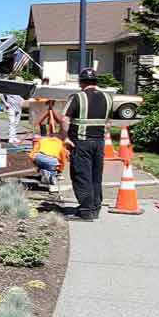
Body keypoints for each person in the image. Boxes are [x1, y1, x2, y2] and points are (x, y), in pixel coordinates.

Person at [63, 67, 112, 220]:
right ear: (95, 81)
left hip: (82, 142)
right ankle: (95, 208)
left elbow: (65, 119)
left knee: (81, 175)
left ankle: (85, 211)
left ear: (81, 82)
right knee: (96, 176)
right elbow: (108, 123)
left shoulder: (77, 97)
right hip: (99, 143)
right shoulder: (108, 98)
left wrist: (65, 137)